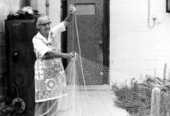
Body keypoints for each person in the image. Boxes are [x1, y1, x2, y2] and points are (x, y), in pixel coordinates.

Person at [32, 4, 76, 116]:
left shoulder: (52, 32)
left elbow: (66, 22)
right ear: (38, 26)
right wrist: (66, 56)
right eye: (44, 24)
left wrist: (70, 13)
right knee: (42, 100)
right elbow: (48, 54)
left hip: (55, 71)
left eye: (48, 23)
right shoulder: (36, 39)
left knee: (55, 97)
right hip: (43, 74)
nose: (47, 26)